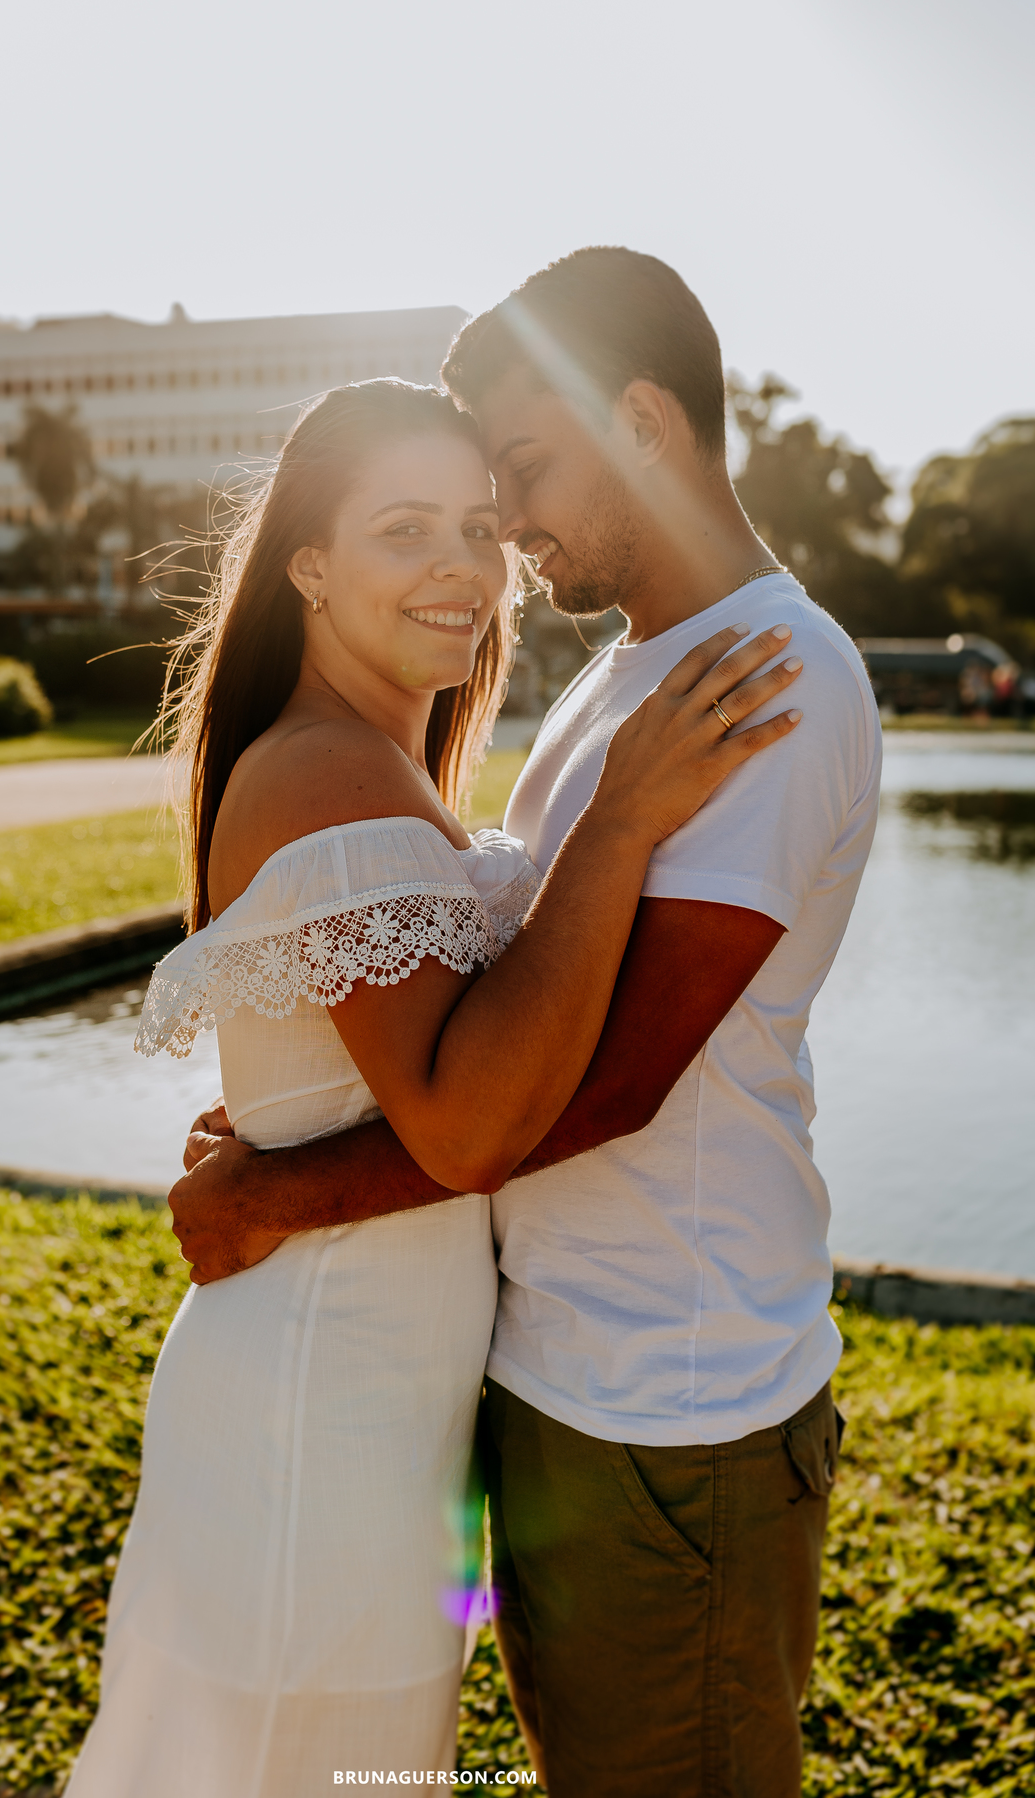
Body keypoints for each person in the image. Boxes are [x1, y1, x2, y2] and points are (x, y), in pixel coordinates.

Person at [169, 250, 883, 1798]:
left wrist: (288, 1188)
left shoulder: (775, 680)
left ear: (641, 419)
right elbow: (493, 997)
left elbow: (609, 1083)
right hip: (556, 1383)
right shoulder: (626, 679)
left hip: (674, 1400)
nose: (511, 531)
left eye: (521, 477)